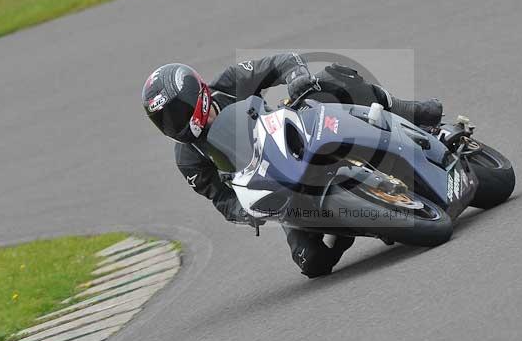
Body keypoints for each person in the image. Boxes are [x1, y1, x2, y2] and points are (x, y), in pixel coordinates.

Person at [141, 53, 442, 277]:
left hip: (299, 135)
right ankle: (355, 222)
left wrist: (296, 77)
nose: (175, 122)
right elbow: (222, 200)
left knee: (333, 79)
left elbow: (281, 62)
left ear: (197, 93)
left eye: (177, 111)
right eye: (165, 119)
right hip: (279, 189)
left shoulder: (230, 83)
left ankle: (410, 112)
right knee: (312, 263)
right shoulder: (188, 158)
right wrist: (248, 211)